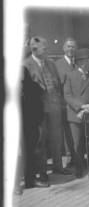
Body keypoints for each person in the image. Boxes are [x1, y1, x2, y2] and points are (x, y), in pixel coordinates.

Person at [22, 36, 67, 188]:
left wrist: (60, 103)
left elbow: (58, 84)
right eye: (44, 48)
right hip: (38, 110)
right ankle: (42, 174)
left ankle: (58, 166)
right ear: (34, 49)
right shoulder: (26, 65)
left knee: (56, 138)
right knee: (40, 142)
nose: (46, 50)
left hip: (54, 106)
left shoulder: (51, 64)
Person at [64, 48, 89, 178]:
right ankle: (79, 168)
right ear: (81, 62)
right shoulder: (70, 76)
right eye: (88, 60)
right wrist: (81, 106)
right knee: (77, 143)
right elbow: (67, 95)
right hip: (75, 115)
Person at [55, 37, 77, 168]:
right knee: (68, 132)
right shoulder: (57, 64)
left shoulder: (78, 63)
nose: (71, 49)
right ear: (63, 48)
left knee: (77, 133)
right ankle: (70, 157)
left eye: (73, 46)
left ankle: (79, 156)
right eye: (68, 46)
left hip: (78, 103)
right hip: (65, 105)